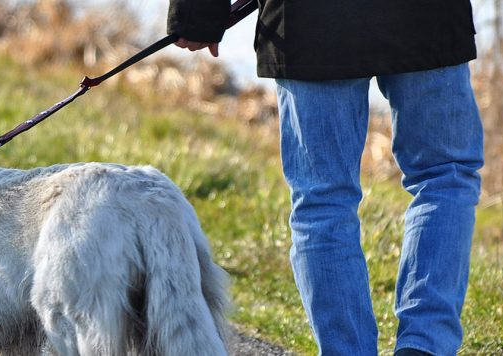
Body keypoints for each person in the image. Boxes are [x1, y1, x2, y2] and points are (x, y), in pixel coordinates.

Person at [166, 0, 483, 355]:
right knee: (444, 176)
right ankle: (425, 347)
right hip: (424, 17)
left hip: (311, 19)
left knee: (323, 200)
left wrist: (196, 11)